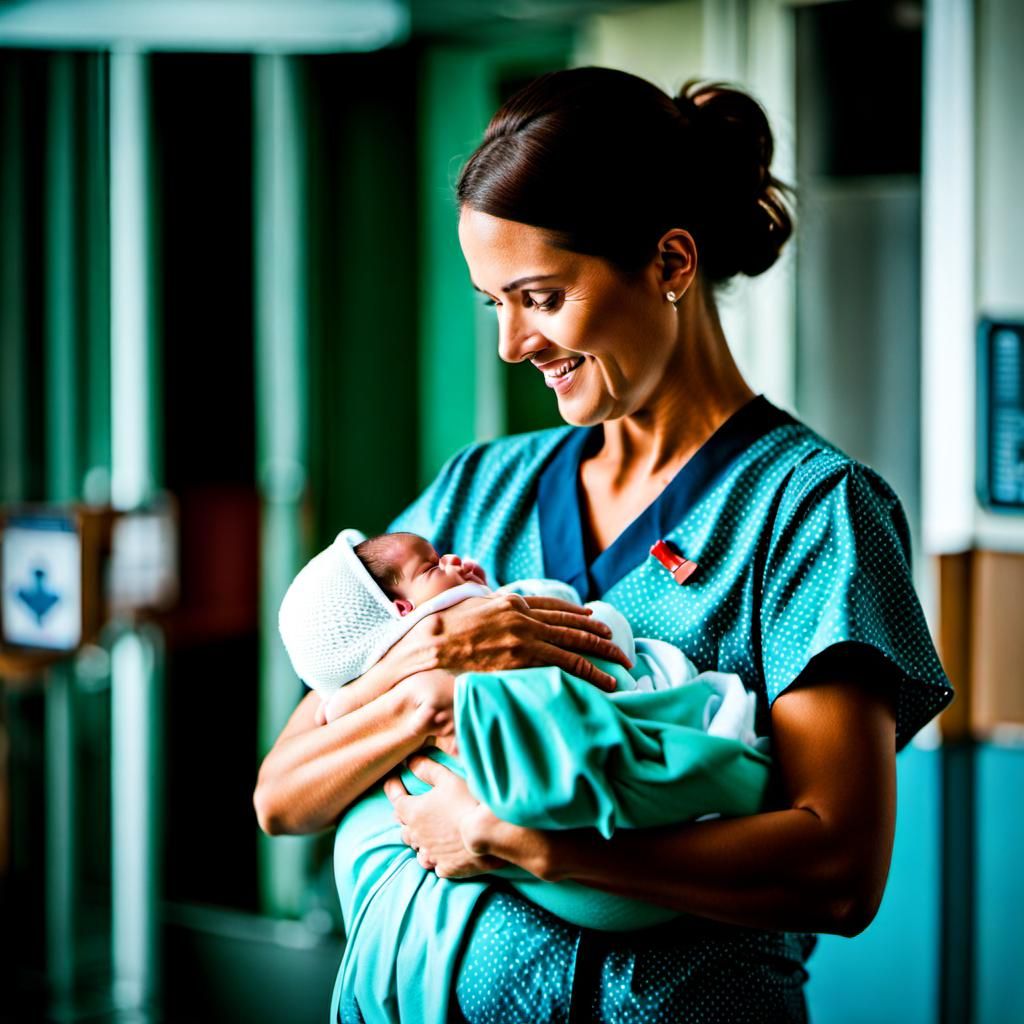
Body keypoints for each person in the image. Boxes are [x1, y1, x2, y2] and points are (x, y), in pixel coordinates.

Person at [254, 66, 954, 1023]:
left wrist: (525, 844)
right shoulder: (479, 493)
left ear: (670, 264)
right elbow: (284, 796)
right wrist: (431, 678)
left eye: (540, 297)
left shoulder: (809, 509)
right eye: (494, 304)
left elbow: (837, 870)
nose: (513, 344)